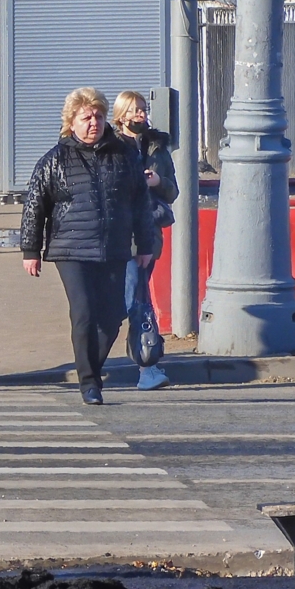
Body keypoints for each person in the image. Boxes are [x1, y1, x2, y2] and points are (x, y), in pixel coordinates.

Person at [19, 87, 155, 406]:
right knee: (83, 313)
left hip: (114, 246)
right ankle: (89, 383)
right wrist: (30, 251)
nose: (93, 122)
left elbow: (140, 202)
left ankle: (91, 368)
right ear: (72, 122)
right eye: (86, 117)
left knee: (112, 316)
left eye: (98, 116)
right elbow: (34, 205)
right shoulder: (55, 159)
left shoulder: (123, 155)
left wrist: (145, 243)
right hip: (71, 249)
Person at [111, 90, 176, 391]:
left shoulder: (157, 147)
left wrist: (157, 181)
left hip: (148, 236)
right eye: (135, 110)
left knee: (138, 301)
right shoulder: (110, 147)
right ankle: (94, 361)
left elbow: (173, 191)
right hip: (118, 235)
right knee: (124, 302)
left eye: (143, 109)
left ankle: (146, 367)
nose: (141, 115)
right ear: (121, 115)